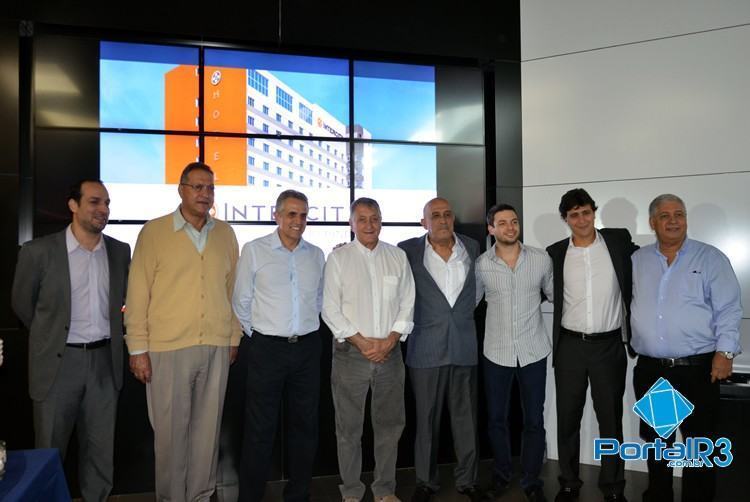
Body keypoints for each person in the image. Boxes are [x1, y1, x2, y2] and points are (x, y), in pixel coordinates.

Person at [125, 162, 241, 501]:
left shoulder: (225, 234)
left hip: (217, 346)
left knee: (207, 434)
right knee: (171, 436)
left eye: (210, 188)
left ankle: (201, 496)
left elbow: (232, 291)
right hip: (167, 349)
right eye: (197, 187)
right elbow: (137, 293)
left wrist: (233, 338)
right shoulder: (155, 232)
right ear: (181, 189)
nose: (205, 194)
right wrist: (137, 349)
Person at [11, 179, 130, 501]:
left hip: (105, 364)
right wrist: (49, 336)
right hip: (58, 365)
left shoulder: (120, 252)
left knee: (100, 453)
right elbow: (22, 304)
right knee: (50, 453)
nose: (103, 210)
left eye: (106, 203)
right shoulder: (38, 252)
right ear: (73, 205)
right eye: (94, 202)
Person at [630, 194, 742, 502]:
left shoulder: (710, 258)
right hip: (655, 371)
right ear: (653, 223)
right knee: (659, 443)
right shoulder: (638, 261)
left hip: (698, 369)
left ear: (686, 219)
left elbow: (729, 309)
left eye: (679, 214)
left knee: (699, 446)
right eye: (664, 216)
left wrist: (726, 352)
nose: (673, 220)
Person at [232, 190, 325, 502]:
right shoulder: (255, 250)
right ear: (277, 215)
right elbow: (241, 302)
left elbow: (320, 300)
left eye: (302, 215)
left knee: (305, 428)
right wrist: (260, 335)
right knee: (259, 430)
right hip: (267, 350)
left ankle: (298, 495)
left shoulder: (316, 254)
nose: (297, 221)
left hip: (308, 350)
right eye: (291, 214)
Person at [546, 188, 637, 502]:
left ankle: (613, 486)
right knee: (567, 418)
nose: (581, 219)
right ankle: (569, 482)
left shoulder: (618, 242)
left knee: (610, 418)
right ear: (566, 219)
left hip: (608, 346)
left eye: (586, 212)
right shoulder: (555, 253)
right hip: (570, 346)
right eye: (574, 215)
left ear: (593, 212)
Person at [322, 197, 415, 502]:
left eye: (374, 218)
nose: (369, 225)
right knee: (348, 429)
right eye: (361, 219)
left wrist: (389, 341)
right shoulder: (338, 259)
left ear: (381, 220)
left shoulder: (397, 257)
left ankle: (385, 490)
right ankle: (351, 491)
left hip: (390, 355)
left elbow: (408, 302)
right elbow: (330, 310)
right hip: (351, 355)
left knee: (389, 427)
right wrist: (362, 342)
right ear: (351, 223)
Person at [397, 198, 481, 502]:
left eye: (447, 215)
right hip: (425, 348)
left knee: (466, 420)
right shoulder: (407, 251)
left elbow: (476, 293)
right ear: (424, 222)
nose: (443, 220)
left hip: (463, 345)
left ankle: (468, 481)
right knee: (426, 420)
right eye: (435, 216)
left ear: (453, 218)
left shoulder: (472, 248)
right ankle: (425, 482)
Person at [476, 203, 553, 502]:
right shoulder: (481, 265)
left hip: (534, 350)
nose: (510, 227)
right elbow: (470, 301)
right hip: (496, 352)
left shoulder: (540, 260)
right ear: (491, 229)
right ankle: (502, 474)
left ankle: (532, 479)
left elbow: (551, 292)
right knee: (497, 419)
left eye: (514, 222)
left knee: (534, 419)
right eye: (502, 223)